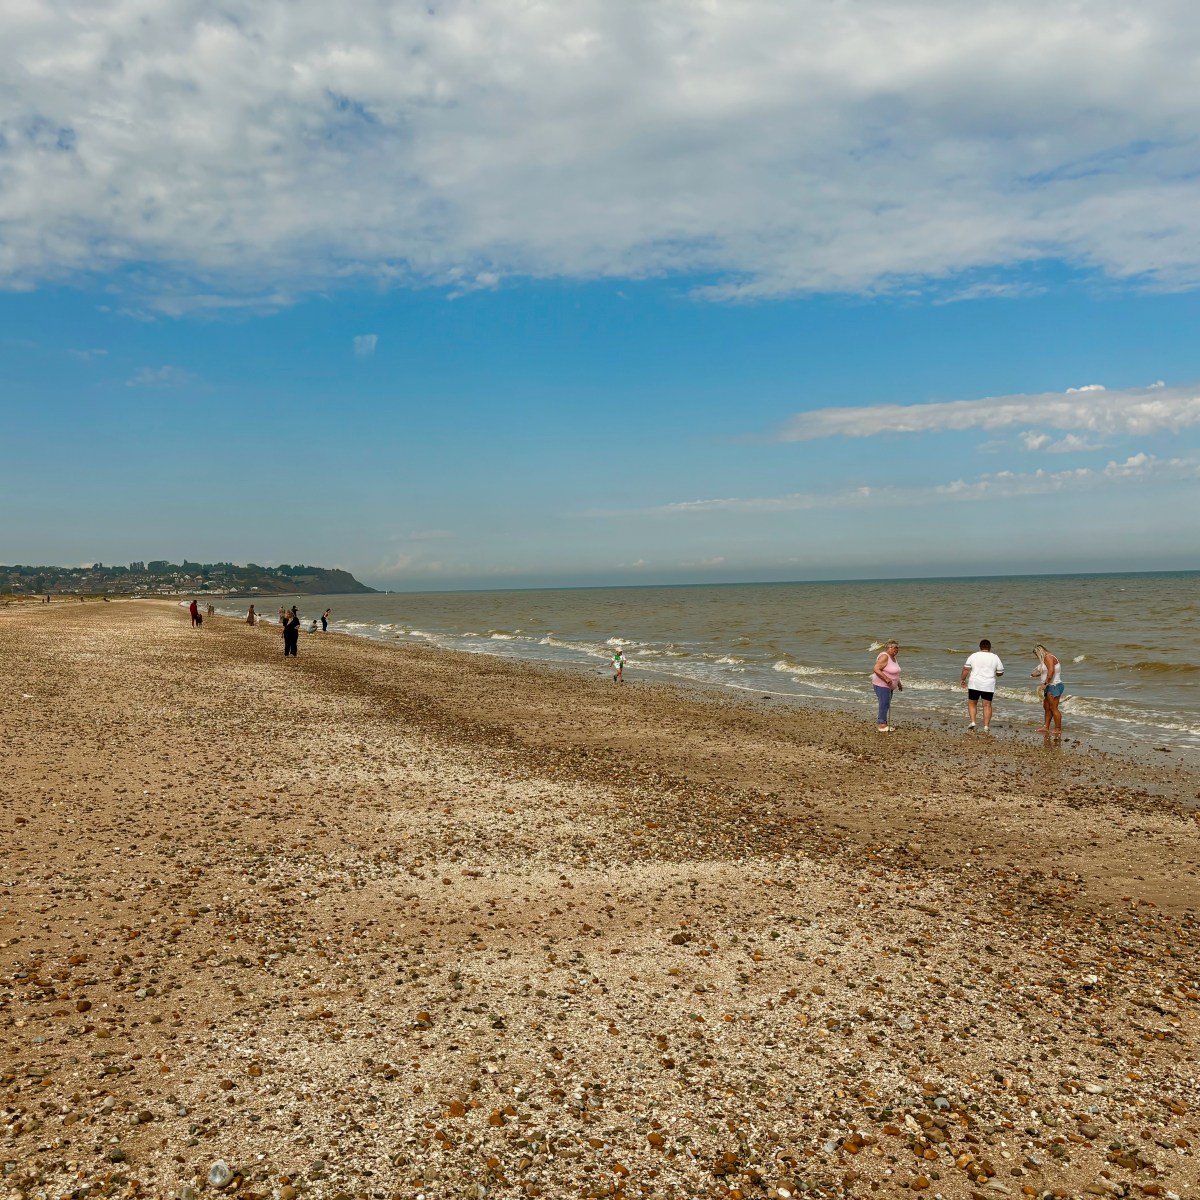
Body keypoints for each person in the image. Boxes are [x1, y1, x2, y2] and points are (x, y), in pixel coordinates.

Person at [960, 638, 1005, 733]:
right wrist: (997, 674)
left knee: (972, 703)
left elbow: (966, 669)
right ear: (990, 647)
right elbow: (1000, 672)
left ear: (980, 647)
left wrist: (962, 680)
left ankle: (972, 722)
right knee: (987, 705)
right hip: (988, 684)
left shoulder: (974, 655)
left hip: (974, 683)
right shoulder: (995, 657)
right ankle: (986, 726)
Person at [1032, 644, 1064, 737]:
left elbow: (1051, 672)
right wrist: (1036, 675)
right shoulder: (1046, 658)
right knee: (1046, 707)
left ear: (1040, 652)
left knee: (1054, 708)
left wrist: (1045, 683)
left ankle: (1058, 728)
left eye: (1037, 655)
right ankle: (1046, 726)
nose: (1037, 657)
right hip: (1050, 686)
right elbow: (1046, 671)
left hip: (1054, 685)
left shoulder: (1049, 657)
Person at [871, 640, 902, 733]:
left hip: (889, 686)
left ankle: (883, 722)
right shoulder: (885, 656)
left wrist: (898, 683)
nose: (897, 650)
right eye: (895, 648)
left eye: (898, 648)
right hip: (882, 685)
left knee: (886, 704)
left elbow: (894, 672)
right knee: (884, 704)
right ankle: (882, 725)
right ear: (889, 648)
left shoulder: (893, 657)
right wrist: (886, 679)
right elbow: (876, 669)